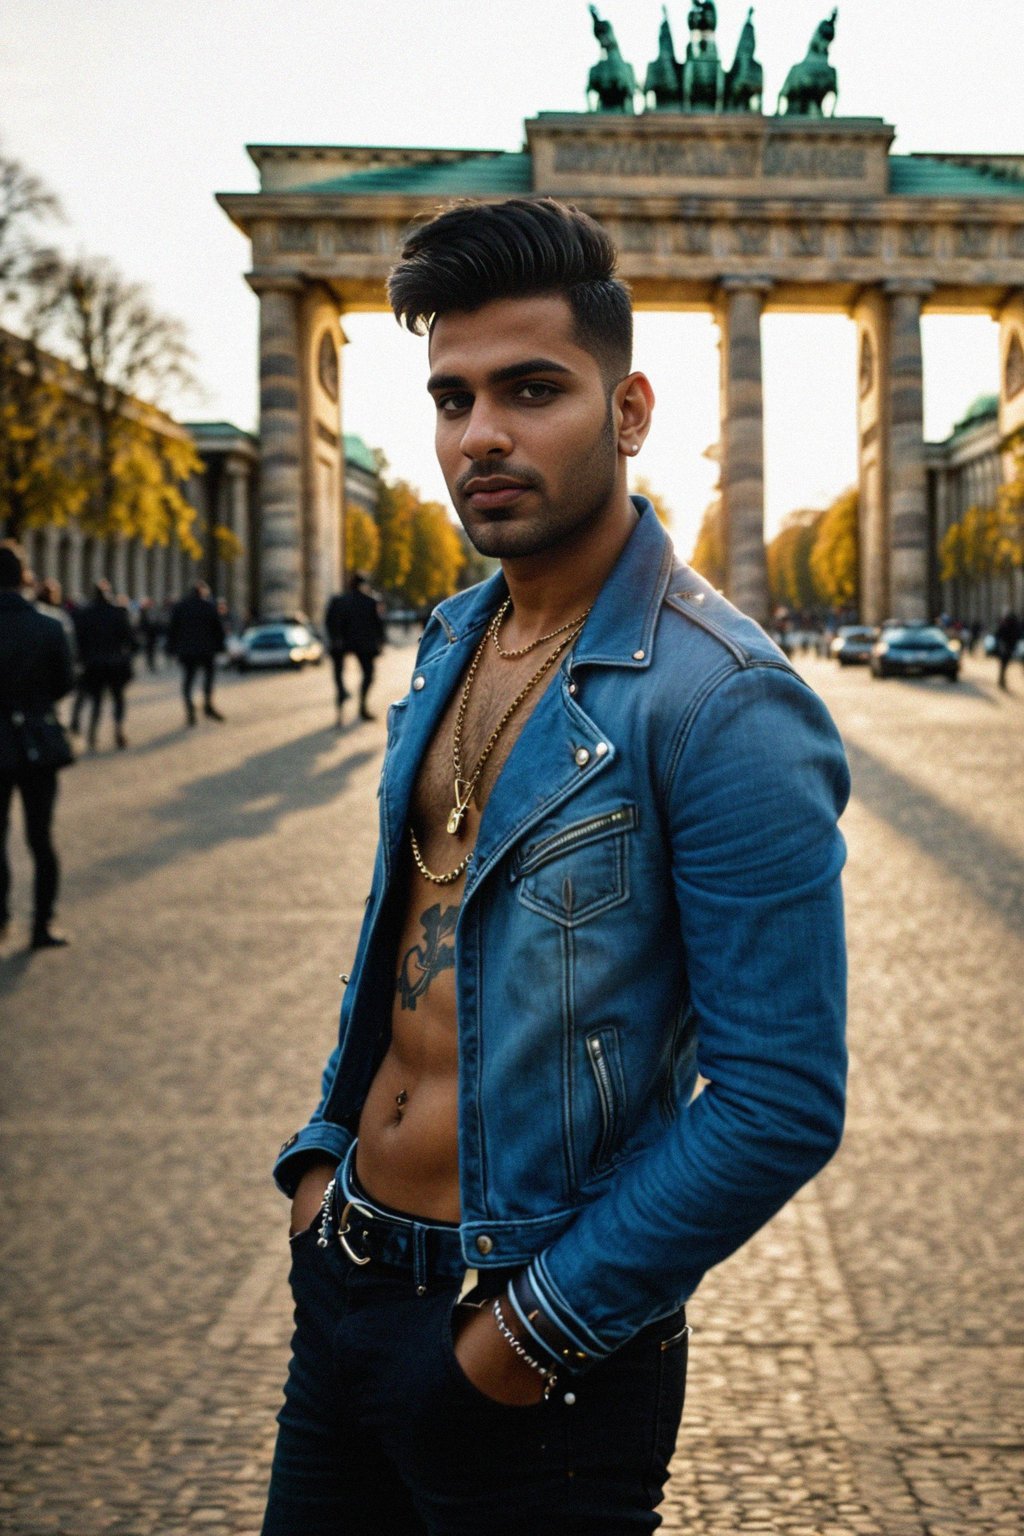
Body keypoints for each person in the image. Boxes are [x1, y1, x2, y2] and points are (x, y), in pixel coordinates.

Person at [262, 199, 850, 1535]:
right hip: (348, 1281)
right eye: (453, 397)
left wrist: (521, 1341)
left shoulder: (725, 703)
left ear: (630, 408)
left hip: (530, 1354)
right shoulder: (451, 639)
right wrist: (317, 1171)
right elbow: (409, 938)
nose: (483, 435)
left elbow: (781, 1097)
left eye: (534, 390)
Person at [0, 541, 75, 949]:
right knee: (40, 838)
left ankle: (1, 918)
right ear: (24, 576)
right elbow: (65, 682)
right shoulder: (50, 625)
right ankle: (41, 924)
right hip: (37, 741)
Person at [73, 579, 134, 751]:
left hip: (94, 664)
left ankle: (93, 733)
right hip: (115, 663)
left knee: (97, 700)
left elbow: (80, 641)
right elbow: (129, 638)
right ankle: (118, 728)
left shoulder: (86, 614)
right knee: (118, 699)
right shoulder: (117, 613)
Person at [323, 571, 387, 725]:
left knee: (338, 673)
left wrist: (334, 639)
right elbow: (378, 624)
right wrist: (381, 641)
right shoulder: (370, 602)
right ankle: (362, 706)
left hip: (342, 643)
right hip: (363, 644)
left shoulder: (338, 601)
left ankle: (341, 702)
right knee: (368, 675)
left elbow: (329, 621)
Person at [167, 581, 226, 725]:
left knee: (188, 680)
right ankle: (207, 705)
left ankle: (190, 712)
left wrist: (171, 648)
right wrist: (221, 646)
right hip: (206, 650)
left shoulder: (180, 607)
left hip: (187, 651)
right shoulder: (209, 607)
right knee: (208, 678)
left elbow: (172, 629)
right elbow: (218, 629)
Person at [993, 609, 1021, 690]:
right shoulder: (1014, 626)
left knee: (1003, 665)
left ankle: (1001, 679)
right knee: (1004, 664)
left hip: (1005, 647)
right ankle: (1002, 679)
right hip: (1007, 647)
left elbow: (997, 635)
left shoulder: (1006, 625)